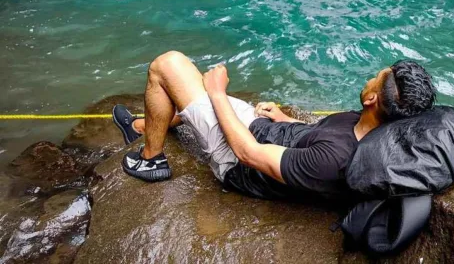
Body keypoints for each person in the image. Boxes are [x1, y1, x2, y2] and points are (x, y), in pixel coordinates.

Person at [112, 52, 437, 202]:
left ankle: (151, 158)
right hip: (266, 130)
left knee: (167, 65)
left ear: (372, 99)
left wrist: (217, 94)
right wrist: (283, 119)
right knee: (187, 88)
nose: (369, 78)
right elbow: (322, 133)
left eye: (374, 78)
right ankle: (145, 126)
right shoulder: (377, 126)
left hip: (236, 157)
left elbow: (248, 153)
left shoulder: (334, 160)